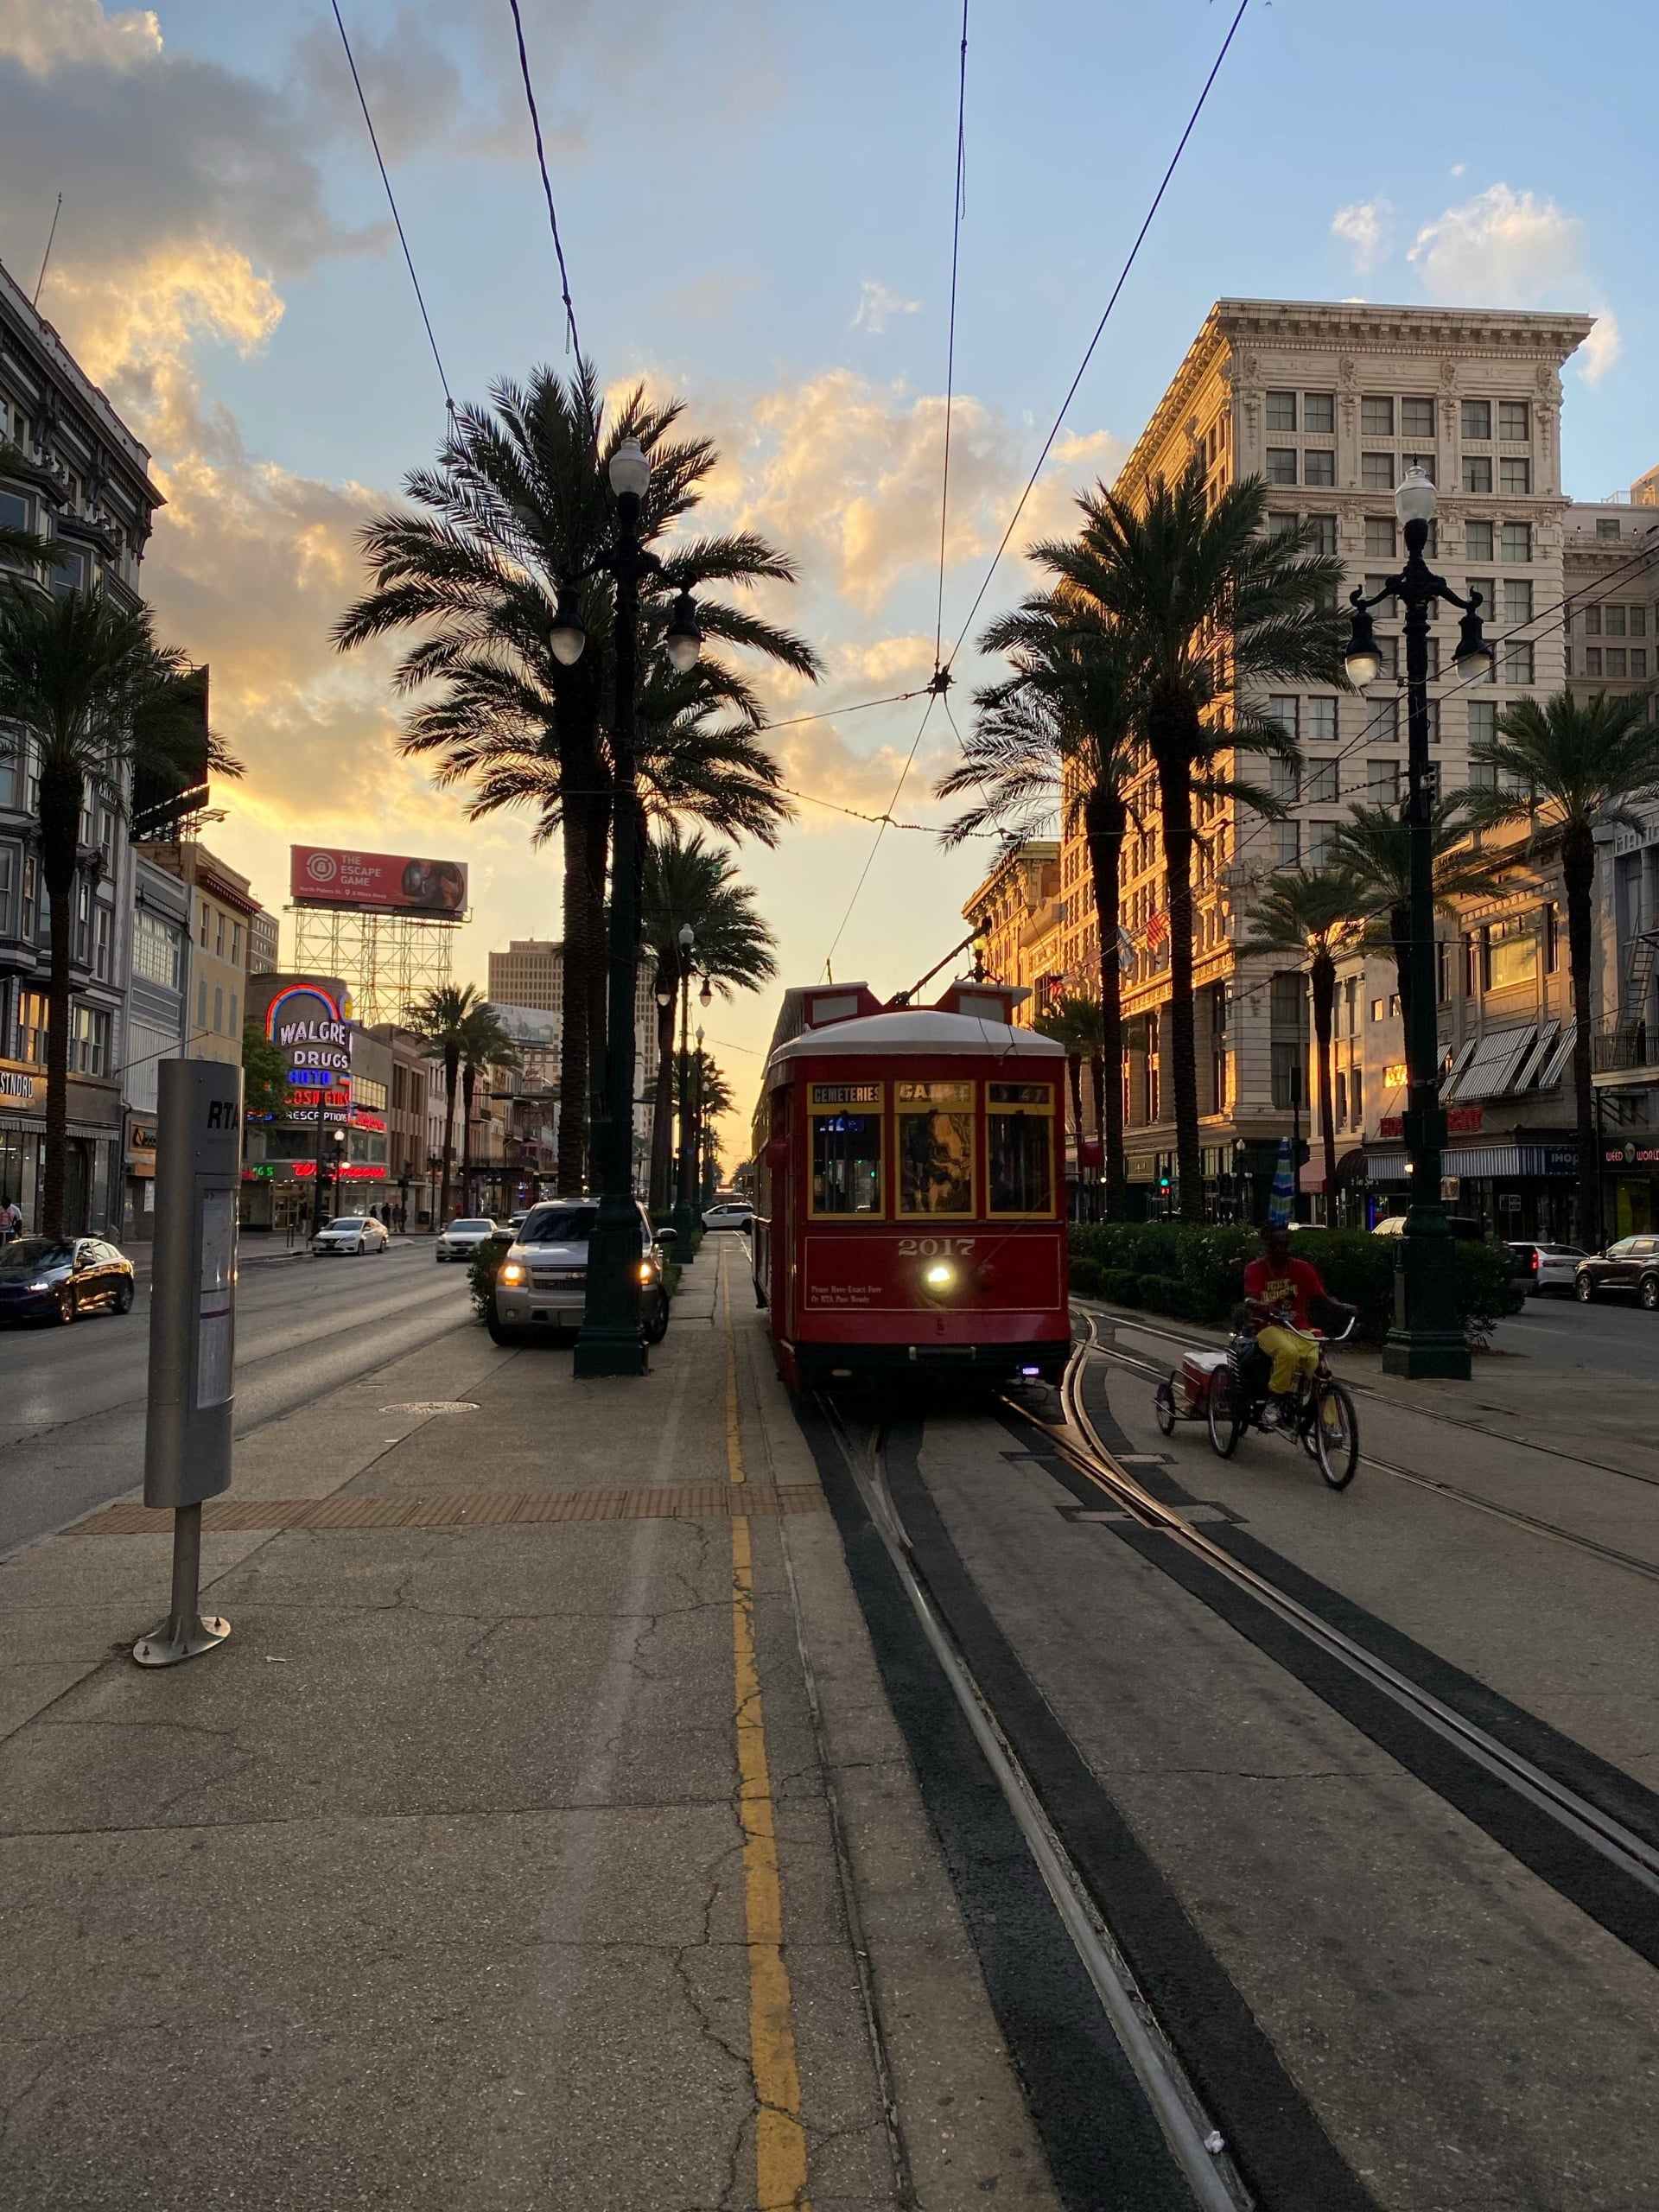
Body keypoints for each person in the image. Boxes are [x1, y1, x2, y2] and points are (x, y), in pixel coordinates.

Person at [1242, 1224, 1327, 1431]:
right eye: (1276, 1245)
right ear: (1268, 1246)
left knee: (1317, 1363)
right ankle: (1274, 1404)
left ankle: (1324, 1418)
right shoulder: (1255, 1269)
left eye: (1285, 1245)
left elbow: (1322, 1296)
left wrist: (1343, 1308)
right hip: (1267, 1327)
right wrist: (1261, 1306)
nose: (1281, 1249)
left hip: (1297, 1327)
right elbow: (1250, 1298)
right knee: (1287, 1353)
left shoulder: (1302, 1268)